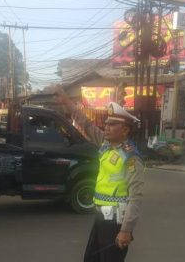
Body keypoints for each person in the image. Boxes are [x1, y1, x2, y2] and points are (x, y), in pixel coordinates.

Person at [56, 86, 144, 262]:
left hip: (116, 222)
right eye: (106, 123)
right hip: (101, 217)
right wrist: (67, 102)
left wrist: (126, 230)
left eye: (112, 124)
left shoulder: (131, 157)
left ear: (125, 130)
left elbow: (136, 196)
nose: (106, 127)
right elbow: (86, 123)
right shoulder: (105, 144)